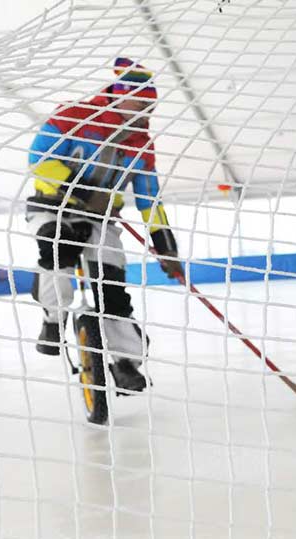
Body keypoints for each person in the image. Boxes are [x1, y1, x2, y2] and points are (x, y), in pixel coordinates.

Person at [27, 57, 183, 392]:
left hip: (100, 221)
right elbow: (39, 160)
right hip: (53, 208)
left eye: (151, 107)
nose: (147, 113)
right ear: (122, 95)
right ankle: (53, 320)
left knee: (111, 286)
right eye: (142, 104)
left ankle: (125, 362)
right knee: (57, 248)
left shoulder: (141, 145)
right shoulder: (73, 115)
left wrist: (166, 246)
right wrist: (82, 192)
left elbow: (149, 199)